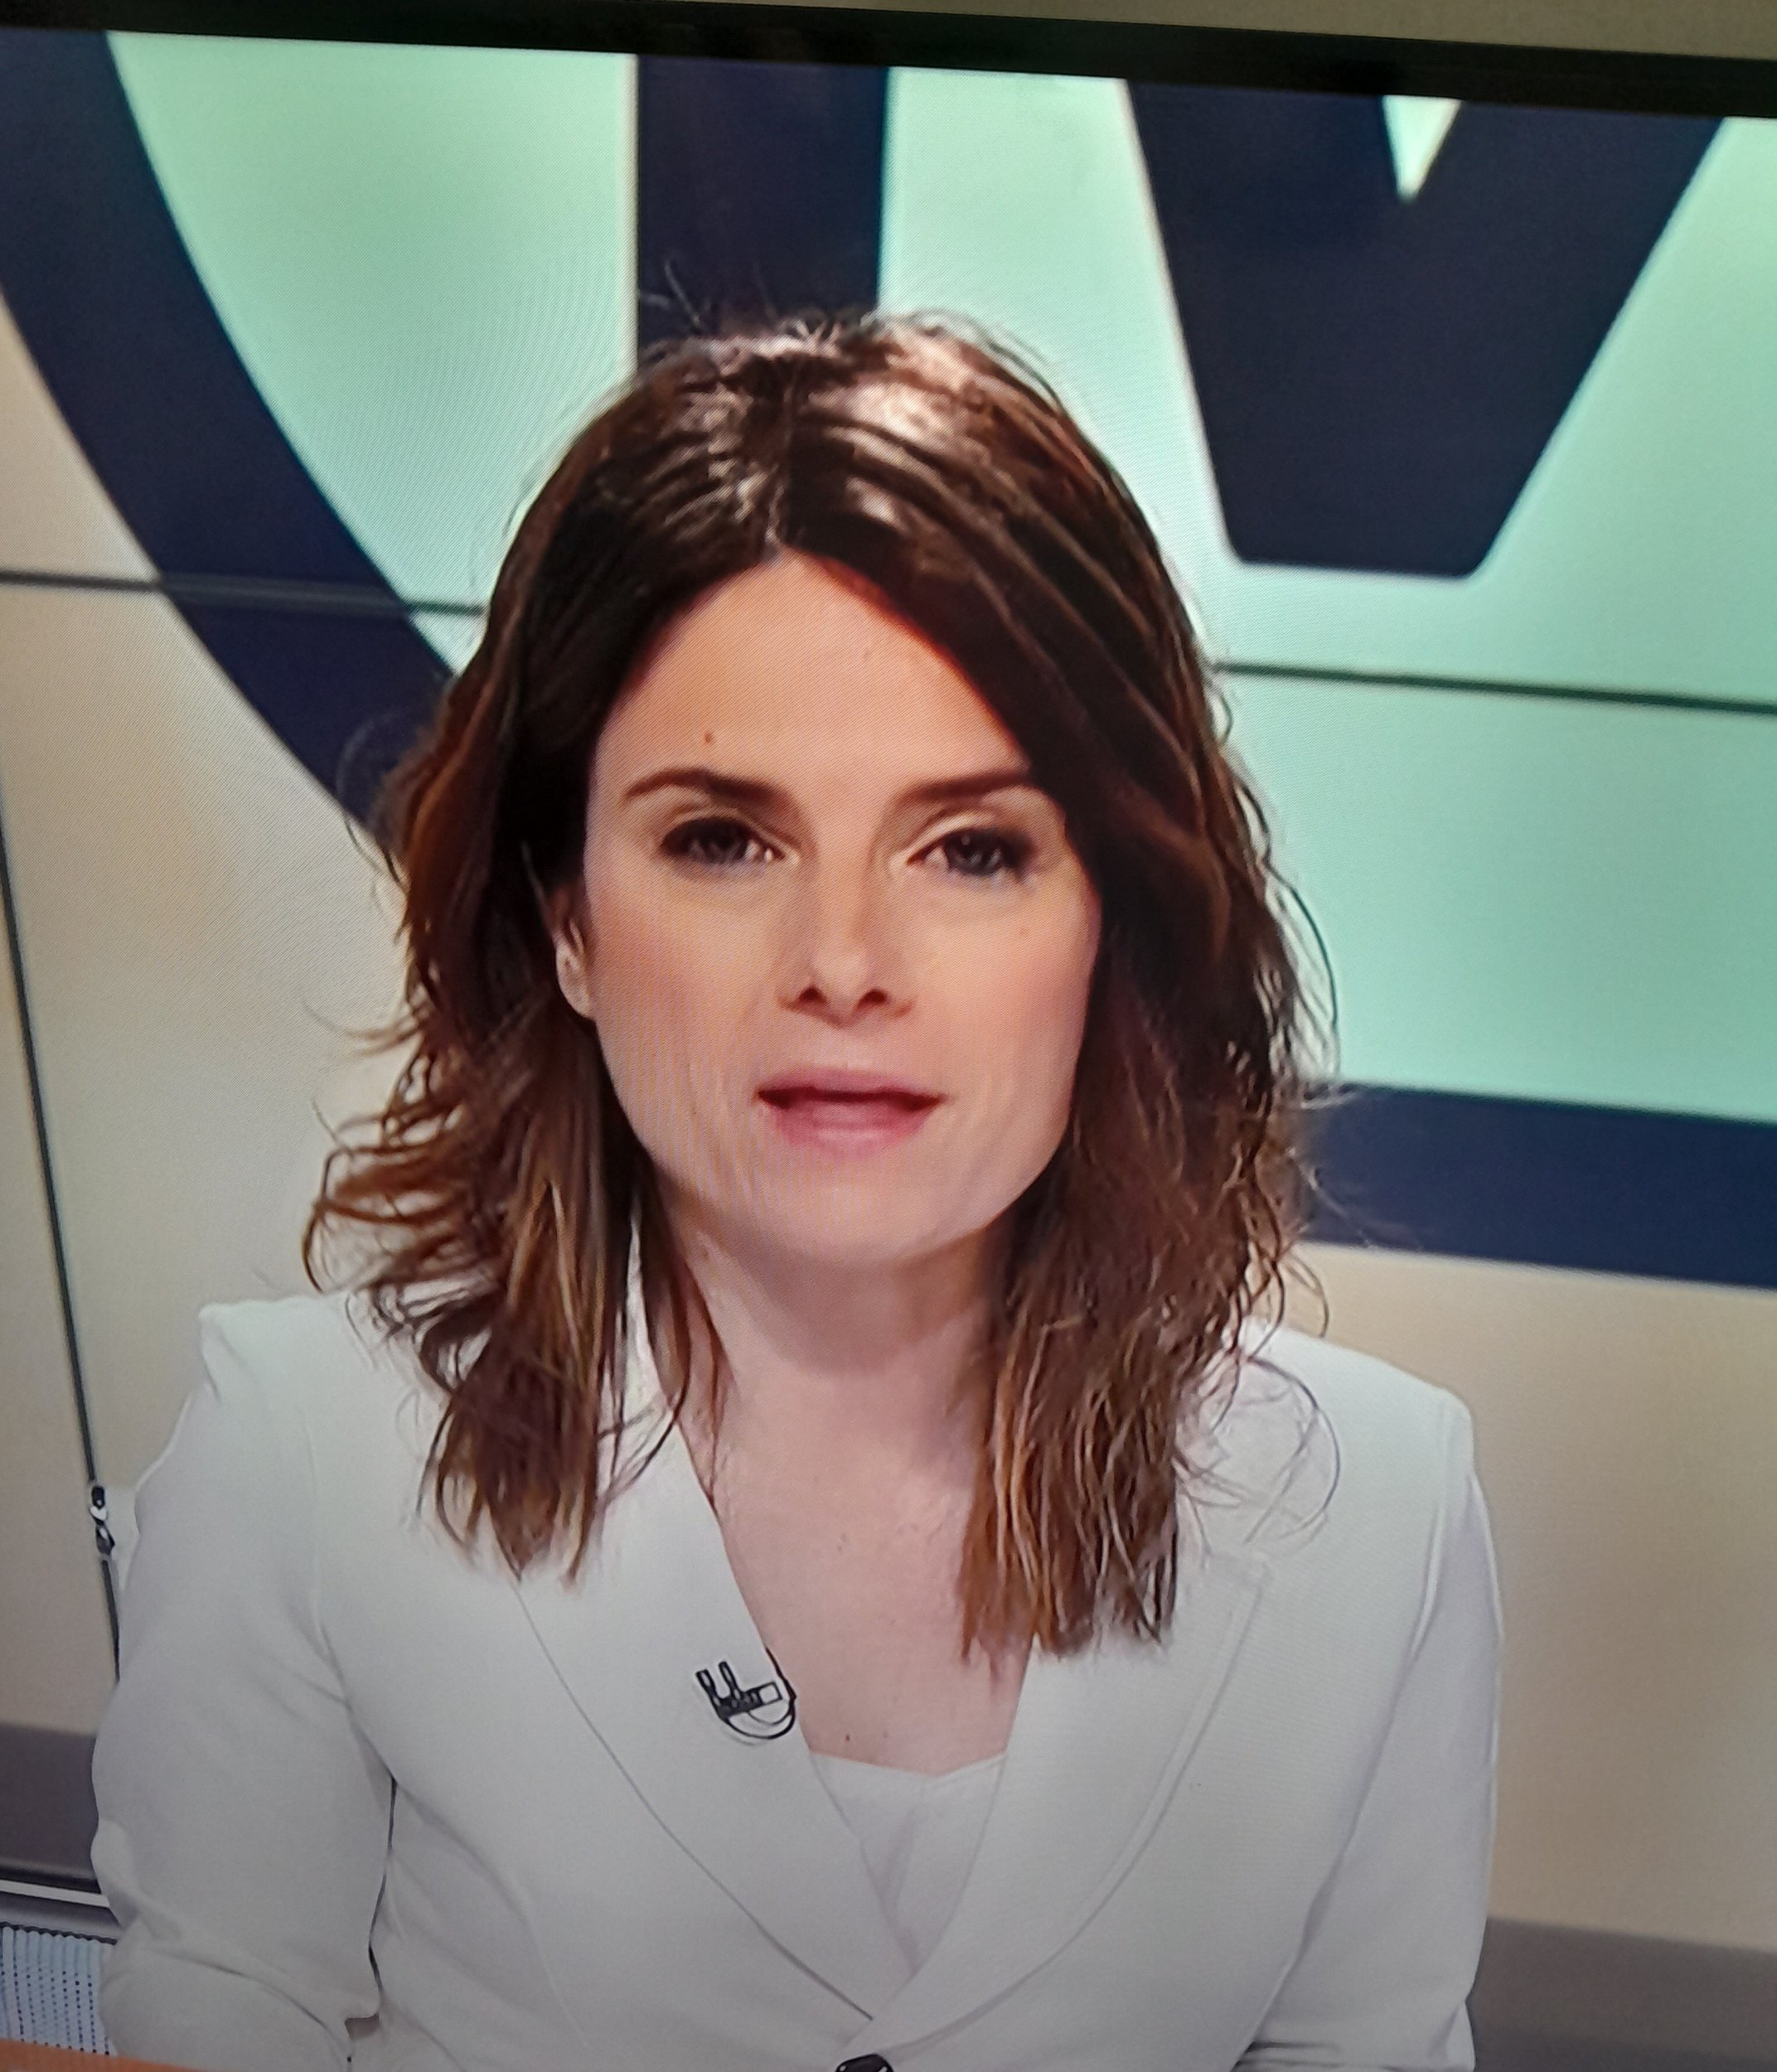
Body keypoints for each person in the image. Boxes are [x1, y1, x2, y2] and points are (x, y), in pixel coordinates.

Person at [91, 314, 1503, 2072]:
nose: (843, 961)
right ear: (563, 914)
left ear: (1115, 917)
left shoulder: (1379, 1512)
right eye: (722, 839)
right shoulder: (302, 1455)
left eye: (970, 849)